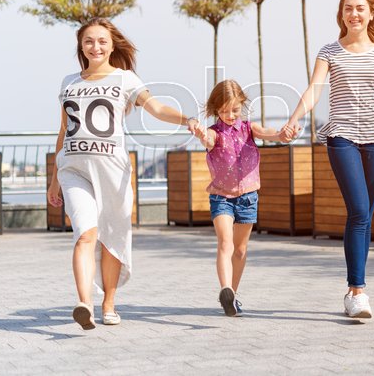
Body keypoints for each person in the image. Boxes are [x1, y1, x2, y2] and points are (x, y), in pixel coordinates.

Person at [47, 18, 201, 330]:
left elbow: (155, 108)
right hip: (74, 169)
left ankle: (109, 303)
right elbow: (64, 130)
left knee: (113, 237)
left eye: (102, 41)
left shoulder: (125, 79)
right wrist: (54, 177)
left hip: (112, 170)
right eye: (89, 41)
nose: (95, 47)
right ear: (81, 46)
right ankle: (84, 304)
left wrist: (188, 120)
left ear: (112, 45)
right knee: (85, 234)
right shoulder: (68, 82)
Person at [281, 0, 374, 319]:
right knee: (359, 210)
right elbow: (315, 89)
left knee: (365, 216)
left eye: (360, 8)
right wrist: (294, 119)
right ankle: (357, 291)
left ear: (370, 13)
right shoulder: (330, 51)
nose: (354, 14)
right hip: (342, 137)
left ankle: (353, 291)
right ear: (341, 14)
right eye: (348, 9)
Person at [192, 79, 284, 317]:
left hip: (248, 197)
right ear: (215, 110)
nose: (230, 115)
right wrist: (203, 136)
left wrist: (283, 134)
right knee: (226, 243)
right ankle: (225, 288)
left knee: (240, 250)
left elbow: (269, 133)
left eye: (234, 109)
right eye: (223, 110)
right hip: (221, 197)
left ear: (242, 105)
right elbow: (208, 141)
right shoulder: (215, 133)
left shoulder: (249, 129)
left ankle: (232, 296)